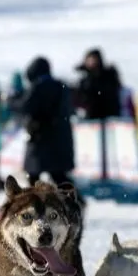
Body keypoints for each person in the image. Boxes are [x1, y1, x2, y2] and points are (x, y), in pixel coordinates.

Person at [20, 56, 85, 206]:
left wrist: (12, 100)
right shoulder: (61, 86)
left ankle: (34, 204)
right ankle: (75, 201)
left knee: (33, 174)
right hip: (60, 139)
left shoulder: (38, 87)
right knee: (59, 175)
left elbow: (26, 106)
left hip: (41, 139)